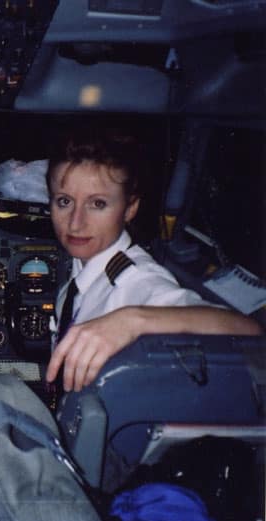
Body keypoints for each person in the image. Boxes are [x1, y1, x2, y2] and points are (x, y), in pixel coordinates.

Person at [43, 129, 262, 393]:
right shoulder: (82, 269)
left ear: (130, 209)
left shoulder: (137, 282)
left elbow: (250, 331)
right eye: (64, 201)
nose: (76, 223)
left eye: (98, 204)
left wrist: (132, 321)